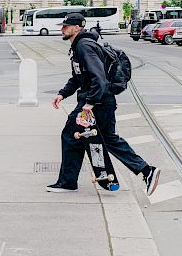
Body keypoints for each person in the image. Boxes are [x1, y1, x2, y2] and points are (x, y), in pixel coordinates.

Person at [47, 13, 160, 195]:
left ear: (77, 28)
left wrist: (90, 102)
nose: (62, 29)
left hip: (95, 102)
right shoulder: (80, 46)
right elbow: (78, 77)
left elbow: (98, 77)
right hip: (101, 101)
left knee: (70, 135)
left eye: (66, 26)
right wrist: (63, 93)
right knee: (106, 139)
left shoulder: (84, 46)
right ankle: (147, 171)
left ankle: (67, 182)